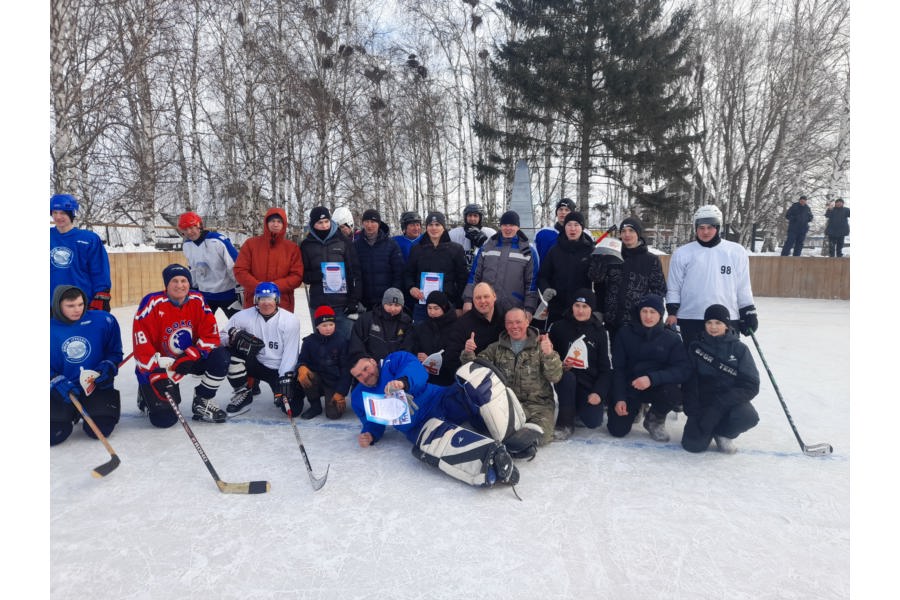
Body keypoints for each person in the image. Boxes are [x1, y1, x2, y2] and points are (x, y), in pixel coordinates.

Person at [350, 352, 520, 489]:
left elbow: (416, 369)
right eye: (359, 375)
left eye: (365, 368)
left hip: (439, 400)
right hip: (418, 426)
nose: (365, 375)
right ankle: (490, 462)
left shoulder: (393, 360)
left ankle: (510, 431)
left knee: (473, 383)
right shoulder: (359, 396)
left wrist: (403, 383)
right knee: (436, 443)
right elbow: (371, 420)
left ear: (372, 361)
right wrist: (370, 434)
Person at [133, 264, 231, 425]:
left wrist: (192, 355)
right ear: (167, 284)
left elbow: (210, 334)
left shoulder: (197, 299)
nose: (180, 285)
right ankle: (144, 392)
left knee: (221, 356)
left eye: (184, 280)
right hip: (161, 365)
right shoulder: (151, 303)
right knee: (164, 420)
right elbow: (141, 343)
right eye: (174, 281)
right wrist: (154, 371)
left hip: (187, 359)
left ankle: (202, 400)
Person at [460, 307, 563, 446]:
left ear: (527, 322)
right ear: (505, 324)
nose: (514, 326)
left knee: (535, 438)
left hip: (538, 407)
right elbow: (475, 371)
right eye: (510, 323)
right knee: (486, 430)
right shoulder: (495, 348)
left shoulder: (542, 347)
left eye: (518, 322)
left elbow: (555, 377)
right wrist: (468, 353)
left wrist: (549, 354)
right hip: (507, 405)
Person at [665, 204, 758, 349]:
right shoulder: (682, 253)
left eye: (710, 227)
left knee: (725, 365)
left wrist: (749, 312)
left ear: (718, 227)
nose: (705, 232)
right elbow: (674, 287)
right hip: (691, 317)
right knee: (691, 365)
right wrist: (672, 312)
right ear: (695, 228)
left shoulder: (736, 252)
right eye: (701, 228)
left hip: (727, 319)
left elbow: (743, 286)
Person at [608, 294, 691, 442]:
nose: (648, 316)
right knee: (617, 429)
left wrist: (652, 379)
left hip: (657, 387)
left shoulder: (671, 338)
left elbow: (682, 370)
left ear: (660, 314)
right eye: (644, 311)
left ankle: (655, 419)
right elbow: (618, 369)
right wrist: (619, 398)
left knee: (673, 392)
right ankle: (636, 408)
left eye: (652, 312)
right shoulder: (624, 333)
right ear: (638, 312)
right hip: (631, 386)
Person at [681, 304, 760, 454]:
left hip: (729, 401)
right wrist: (693, 410)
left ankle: (723, 433)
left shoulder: (740, 349)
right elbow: (689, 379)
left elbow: (751, 385)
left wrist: (719, 405)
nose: (713, 327)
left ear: (726, 325)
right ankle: (706, 429)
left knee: (748, 417)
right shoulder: (696, 347)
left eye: (718, 323)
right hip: (703, 403)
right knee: (693, 445)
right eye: (709, 322)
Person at [50, 285, 123, 446]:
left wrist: (108, 367)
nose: (77, 310)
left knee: (101, 429)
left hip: (95, 387)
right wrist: (54, 380)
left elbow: (115, 353)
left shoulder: (103, 320)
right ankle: (70, 412)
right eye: (70, 306)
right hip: (61, 390)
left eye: (80, 304)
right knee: (54, 434)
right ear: (58, 305)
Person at [219, 282, 302, 416]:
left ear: (277, 300)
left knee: (293, 410)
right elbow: (221, 337)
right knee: (227, 355)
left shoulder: (290, 320)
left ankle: (283, 390)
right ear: (256, 300)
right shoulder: (243, 316)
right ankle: (243, 394)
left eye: (270, 298)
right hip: (255, 363)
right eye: (262, 299)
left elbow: (291, 353)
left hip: (278, 368)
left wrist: (285, 378)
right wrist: (233, 338)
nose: (266, 303)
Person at [589, 215, 666, 344]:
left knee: (637, 360)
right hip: (613, 320)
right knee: (617, 358)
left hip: (638, 322)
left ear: (638, 234)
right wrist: (599, 260)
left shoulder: (651, 260)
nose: (627, 235)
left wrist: (650, 315)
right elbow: (597, 281)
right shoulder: (611, 256)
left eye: (631, 231)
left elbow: (659, 290)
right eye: (623, 231)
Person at [547, 289, 612, 440]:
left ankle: (576, 409)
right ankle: (565, 423)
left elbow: (605, 369)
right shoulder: (559, 327)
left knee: (593, 421)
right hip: (565, 380)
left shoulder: (599, 332)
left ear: (592, 308)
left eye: (585, 307)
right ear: (572, 307)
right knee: (568, 377)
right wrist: (560, 365)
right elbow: (548, 357)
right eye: (577, 305)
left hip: (587, 383)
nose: (580, 310)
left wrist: (598, 392)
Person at [300, 206, 363, 342]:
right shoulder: (306, 245)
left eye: (326, 222)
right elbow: (303, 275)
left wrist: (353, 301)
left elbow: (354, 273)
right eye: (320, 223)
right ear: (313, 224)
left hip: (341, 304)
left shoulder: (343, 242)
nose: (324, 226)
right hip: (319, 304)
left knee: (346, 343)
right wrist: (317, 275)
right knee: (322, 345)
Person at [463, 210, 539, 318]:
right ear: (501, 226)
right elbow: (475, 275)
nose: (508, 228)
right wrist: (468, 299)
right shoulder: (487, 248)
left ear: (518, 227)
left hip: (514, 308)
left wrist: (529, 308)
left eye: (512, 225)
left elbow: (531, 283)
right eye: (504, 225)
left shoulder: (528, 251)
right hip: (486, 307)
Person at [233, 207, 304, 313]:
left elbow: (297, 276)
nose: (275, 224)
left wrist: (274, 287)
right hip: (254, 301)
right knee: (253, 329)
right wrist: (259, 287)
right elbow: (240, 270)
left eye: (279, 221)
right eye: (272, 221)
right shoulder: (251, 244)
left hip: (282, 303)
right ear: (266, 223)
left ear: (284, 224)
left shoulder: (292, 248)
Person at [403, 211, 468, 323]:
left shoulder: (455, 249)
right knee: (421, 338)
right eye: (430, 225)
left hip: (447, 305)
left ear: (443, 227)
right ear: (426, 227)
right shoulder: (416, 249)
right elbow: (408, 274)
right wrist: (411, 288)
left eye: (437, 224)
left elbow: (462, 280)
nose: (434, 228)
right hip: (423, 306)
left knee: (447, 339)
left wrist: (459, 305)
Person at [50, 194, 112, 311]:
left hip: (79, 305)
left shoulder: (89, 239)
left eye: (63, 213)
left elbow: (99, 271)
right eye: (55, 212)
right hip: (51, 305)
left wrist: (101, 296)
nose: (58, 217)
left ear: (72, 214)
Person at [177, 211, 242, 318]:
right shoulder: (187, 245)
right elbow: (193, 269)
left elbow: (234, 264)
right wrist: (193, 289)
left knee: (239, 326)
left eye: (191, 227)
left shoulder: (218, 241)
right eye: (185, 229)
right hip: (205, 295)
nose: (189, 232)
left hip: (228, 293)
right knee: (201, 329)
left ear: (199, 225)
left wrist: (240, 286)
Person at [537, 211, 595, 327]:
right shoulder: (554, 250)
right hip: (557, 308)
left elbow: (597, 281)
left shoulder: (590, 251)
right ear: (565, 227)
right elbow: (543, 276)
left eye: (576, 225)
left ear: (582, 227)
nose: (572, 229)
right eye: (569, 225)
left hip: (581, 309)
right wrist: (546, 289)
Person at [295, 305, 352, 420]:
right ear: (317, 326)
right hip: (317, 380)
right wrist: (301, 367)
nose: (328, 328)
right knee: (306, 376)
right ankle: (315, 406)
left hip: (333, 383)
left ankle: (333, 399)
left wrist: (341, 392)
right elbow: (302, 359)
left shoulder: (342, 341)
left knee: (333, 415)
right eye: (324, 325)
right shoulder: (309, 342)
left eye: (331, 325)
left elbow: (346, 369)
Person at [444, 282, 505, 377]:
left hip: (503, 376)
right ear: (473, 300)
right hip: (475, 379)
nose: (483, 301)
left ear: (494, 296)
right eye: (478, 298)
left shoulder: (505, 319)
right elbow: (450, 359)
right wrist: (466, 351)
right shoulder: (462, 325)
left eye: (486, 296)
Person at [403, 290, 459, 386]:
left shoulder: (455, 328)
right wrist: (417, 356)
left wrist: (431, 360)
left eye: (436, 308)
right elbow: (410, 346)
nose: (432, 312)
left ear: (444, 308)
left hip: (446, 380)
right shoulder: (421, 327)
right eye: (429, 308)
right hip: (423, 378)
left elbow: (454, 356)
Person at [353, 208, 404, 311]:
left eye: (373, 222)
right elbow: (353, 273)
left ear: (379, 223)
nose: (369, 225)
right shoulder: (356, 245)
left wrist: (392, 297)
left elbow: (399, 273)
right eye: (366, 222)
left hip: (386, 302)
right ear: (362, 223)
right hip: (364, 303)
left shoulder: (391, 245)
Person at [348, 287, 412, 363]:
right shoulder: (367, 319)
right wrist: (364, 359)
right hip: (371, 365)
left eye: (397, 305)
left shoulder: (406, 322)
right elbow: (356, 344)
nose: (393, 308)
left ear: (402, 306)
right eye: (389, 304)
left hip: (395, 366)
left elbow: (408, 347)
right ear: (383, 303)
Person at [448, 203, 497, 269]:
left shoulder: (490, 233)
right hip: (461, 274)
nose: (472, 218)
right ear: (465, 217)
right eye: (470, 215)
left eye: (475, 216)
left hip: (481, 274)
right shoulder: (454, 234)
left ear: (480, 217)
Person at [534, 197, 575, 264]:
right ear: (556, 212)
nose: (563, 212)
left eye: (567, 210)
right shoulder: (543, 233)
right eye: (560, 209)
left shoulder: (580, 234)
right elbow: (535, 258)